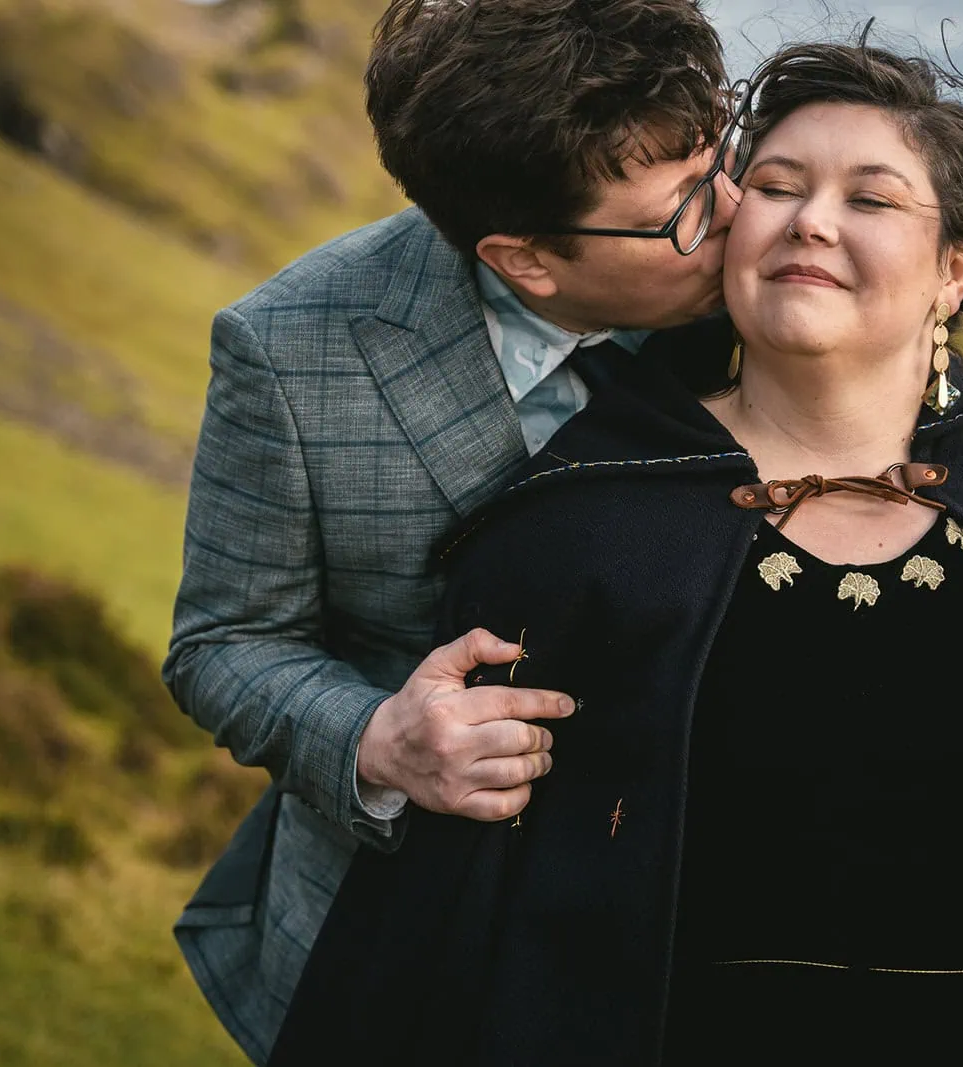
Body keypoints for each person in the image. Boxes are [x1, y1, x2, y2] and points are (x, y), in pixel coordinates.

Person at [273, 33, 963, 1066]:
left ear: (954, 271)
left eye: (870, 198)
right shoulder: (573, 526)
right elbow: (455, 922)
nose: (811, 219)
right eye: (777, 186)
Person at [161, 1, 739, 1061]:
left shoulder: (766, 294)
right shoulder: (290, 349)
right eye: (686, 210)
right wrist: (382, 741)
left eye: (723, 157)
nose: (741, 213)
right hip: (398, 939)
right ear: (527, 260)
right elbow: (224, 642)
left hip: (705, 942)